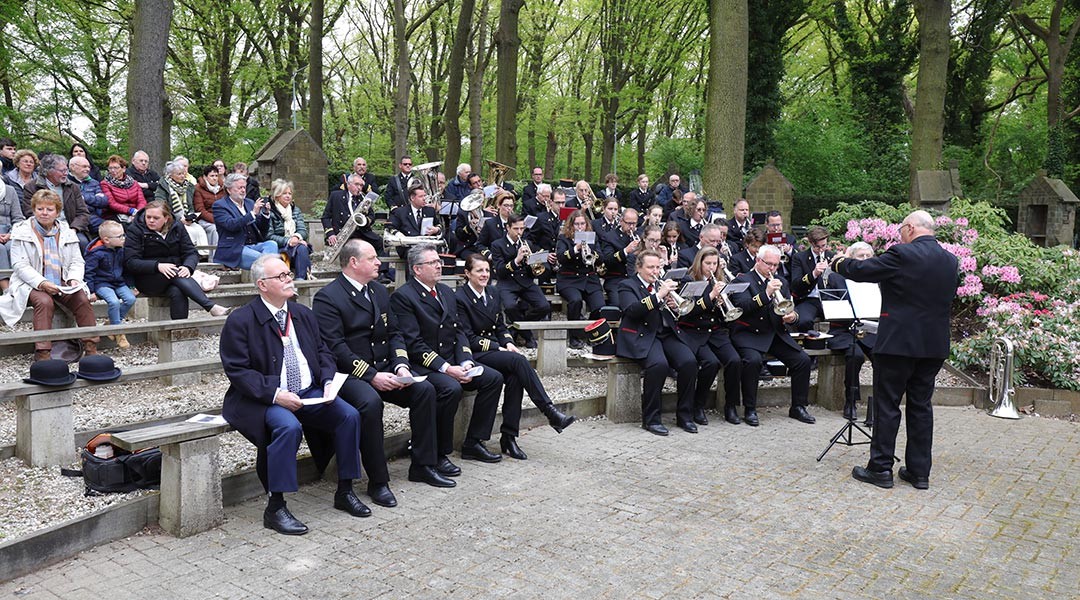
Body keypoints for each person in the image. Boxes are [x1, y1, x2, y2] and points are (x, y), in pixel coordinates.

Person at [220, 255, 369, 536]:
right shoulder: (241, 320)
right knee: (288, 427)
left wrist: (326, 381)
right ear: (262, 285)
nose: (289, 279)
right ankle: (275, 507)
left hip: (309, 392)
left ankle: (345, 490)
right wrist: (276, 395)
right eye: (282, 276)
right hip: (263, 398)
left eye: (289, 274)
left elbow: (324, 351)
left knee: (348, 415)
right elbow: (238, 371)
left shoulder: (301, 313)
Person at [314, 240, 453, 491]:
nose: (379, 262)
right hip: (351, 374)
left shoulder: (378, 291)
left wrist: (401, 365)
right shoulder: (328, 297)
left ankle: (423, 466)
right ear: (354, 262)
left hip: (385, 367)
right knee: (370, 402)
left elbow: (395, 334)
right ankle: (378, 481)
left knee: (425, 390)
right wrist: (372, 375)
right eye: (372, 258)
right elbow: (336, 348)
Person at [835, 210, 958, 490]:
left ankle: (880, 469)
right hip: (933, 344)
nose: (899, 234)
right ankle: (919, 472)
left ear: (911, 228)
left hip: (898, 343)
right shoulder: (951, 261)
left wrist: (840, 262)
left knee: (887, 404)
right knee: (921, 406)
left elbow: (862, 271)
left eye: (902, 229)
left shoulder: (902, 254)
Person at [389, 243, 506, 467]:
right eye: (432, 262)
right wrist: (446, 368)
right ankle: (440, 452)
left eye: (439, 261)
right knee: (450, 388)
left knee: (493, 378)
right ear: (417, 269)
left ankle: (474, 441)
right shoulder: (404, 297)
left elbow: (458, 330)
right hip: (424, 365)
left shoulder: (444, 291)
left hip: (451, 360)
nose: (439, 266)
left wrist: (465, 360)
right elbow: (414, 344)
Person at [455, 254, 576, 458]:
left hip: (494, 351)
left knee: (515, 376)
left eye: (487, 270)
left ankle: (508, 437)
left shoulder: (492, 292)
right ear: (467, 273)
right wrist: (498, 347)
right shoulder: (460, 298)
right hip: (474, 353)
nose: (484, 274)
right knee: (517, 361)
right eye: (479, 271)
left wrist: (509, 342)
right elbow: (466, 336)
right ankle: (549, 411)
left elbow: (500, 326)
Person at [0, 190, 99, 361]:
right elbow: (19, 265)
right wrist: (42, 282)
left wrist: (74, 278)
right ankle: (43, 352)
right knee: (44, 302)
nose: (44, 213)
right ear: (34, 209)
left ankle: (91, 347)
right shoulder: (21, 230)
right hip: (30, 282)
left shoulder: (67, 231)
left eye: (49, 209)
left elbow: (77, 261)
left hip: (61, 279)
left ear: (57, 212)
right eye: (40, 209)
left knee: (81, 298)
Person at [728, 245, 815, 426]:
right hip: (749, 333)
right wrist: (766, 293)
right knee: (752, 362)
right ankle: (750, 408)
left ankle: (798, 406)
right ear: (758, 261)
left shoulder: (781, 280)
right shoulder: (741, 280)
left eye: (776, 265)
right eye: (769, 264)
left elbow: (788, 307)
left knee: (803, 360)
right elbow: (742, 307)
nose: (773, 269)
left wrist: (792, 317)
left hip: (775, 333)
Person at [615, 249, 698, 435]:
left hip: (665, 333)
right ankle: (651, 419)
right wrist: (658, 296)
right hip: (642, 335)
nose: (655, 271)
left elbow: (674, 314)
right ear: (639, 268)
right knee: (658, 365)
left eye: (658, 267)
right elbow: (632, 310)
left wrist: (673, 306)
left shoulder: (660, 284)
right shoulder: (627, 285)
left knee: (689, 362)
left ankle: (685, 415)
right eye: (650, 267)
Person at [125, 200, 228, 320]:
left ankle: (179, 329)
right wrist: (157, 266)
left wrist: (188, 267)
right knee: (176, 274)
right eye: (148, 217)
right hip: (147, 278)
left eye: (156, 218)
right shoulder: (135, 230)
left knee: (177, 291)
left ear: (166, 218)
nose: (151, 220)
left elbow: (190, 252)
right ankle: (210, 306)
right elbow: (130, 262)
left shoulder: (177, 226)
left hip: (175, 276)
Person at [677, 246, 741, 426]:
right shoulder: (689, 280)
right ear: (700, 262)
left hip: (716, 332)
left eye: (715, 263)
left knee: (735, 361)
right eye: (708, 263)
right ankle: (698, 405)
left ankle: (731, 406)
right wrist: (711, 297)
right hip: (694, 331)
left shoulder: (720, 280)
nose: (712, 267)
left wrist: (723, 302)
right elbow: (687, 312)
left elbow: (724, 315)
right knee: (710, 363)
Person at [488, 213, 552, 349]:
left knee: (544, 306)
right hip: (507, 282)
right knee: (510, 306)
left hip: (526, 281)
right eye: (516, 229)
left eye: (522, 229)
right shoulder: (497, 245)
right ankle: (528, 336)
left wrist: (535, 262)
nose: (519, 232)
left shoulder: (528, 243)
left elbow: (536, 266)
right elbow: (499, 270)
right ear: (508, 228)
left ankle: (516, 329)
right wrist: (516, 260)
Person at [556, 209, 606, 349]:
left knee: (600, 307)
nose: (580, 227)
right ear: (571, 225)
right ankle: (574, 336)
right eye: (576, 224)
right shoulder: (563, 238)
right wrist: (575, 249)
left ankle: (590, 331)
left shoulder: (592, 237)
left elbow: (601, 258)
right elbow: (560, 257)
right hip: (569, 279)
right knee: (575, 301)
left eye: (582, 224)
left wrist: (591, 253)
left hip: (589, 279)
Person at [24, 154, 91, 253]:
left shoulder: (73, 187)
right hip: (43, 228)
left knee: (82, 242)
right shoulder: (32, 187)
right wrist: (50, 227)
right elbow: (30, 211)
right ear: (48, 171)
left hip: (70, 228)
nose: (66, 173)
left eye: (66, 170)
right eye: (62, 171)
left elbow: (83, 213)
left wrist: (73, 229)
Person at [84, 221, 136, 349]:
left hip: (118, 282)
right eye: (120, 236)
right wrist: (90, 291)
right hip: (101, 283)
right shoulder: (96, 253)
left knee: (130, 299)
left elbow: (126, 269)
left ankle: (112, 323)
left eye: (123, 235)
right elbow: (89, 273)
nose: (123, 238)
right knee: (114, 302)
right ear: (106, 240)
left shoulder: (120, 250)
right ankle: (118, 332)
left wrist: (131, 286)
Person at [212, 173, 277, 269]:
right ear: (229, 190)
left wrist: (265, 214)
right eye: (239, 188)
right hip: (234, 249)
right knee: (266, 261)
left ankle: (269, 275)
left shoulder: (249, 202)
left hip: (253, 245)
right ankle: (273, 275)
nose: (243, 190)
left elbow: (262, 229)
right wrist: (252, 214)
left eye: (244, 187)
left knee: (272, 244)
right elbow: (231, 225)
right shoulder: (220, 205)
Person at [322, 173, 385, 260]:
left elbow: (371, 216)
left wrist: (366, 221)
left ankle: (381, 272)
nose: (359, 188)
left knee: (381, 243)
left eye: (361, 185)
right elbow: (325, 217)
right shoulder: (336, 196)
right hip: (343, 233)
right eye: (356, 184)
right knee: (355, 249)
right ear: (348, 185)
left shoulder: (364, 199)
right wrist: (330, 234)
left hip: (361, 232)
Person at [155, 156, 210, 251]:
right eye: (179, 174)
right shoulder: (163, 187)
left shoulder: (188, 187)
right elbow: (161, 207)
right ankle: (190, 255)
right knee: (189, 232)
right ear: (170, 175)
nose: (182, 176)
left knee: (200, 231)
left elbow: (191, 205)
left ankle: (203, 256)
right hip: (171, 219)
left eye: (183, 174)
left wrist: (191, 217)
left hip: (187, 219)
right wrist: (179, 219)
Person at [264, 179, 312, 280]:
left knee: (302, 248)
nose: (288, 196)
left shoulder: (295, 210)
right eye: (284, 193)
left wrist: (296, 237)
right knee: (301, 247)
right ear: (277, 196)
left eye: (289, 193)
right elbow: (269, 235)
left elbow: (302, 230)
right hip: (279, 247)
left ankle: (301, 280)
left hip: (296, 245)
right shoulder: (270, 211)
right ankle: (300, 279)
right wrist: (289, 241)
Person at [790, 226, 835, 330]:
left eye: (823, 246)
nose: (821, 250)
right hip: (810, 299)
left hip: (830, 299)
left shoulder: (832, 256)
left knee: (845, 317)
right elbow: (795, 284)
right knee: (803, 321)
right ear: (810, 243)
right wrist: (813, 274)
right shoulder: (800, 258)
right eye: (817, 247)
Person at [599, 207, 641, 304]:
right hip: (616, 279)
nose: (631, 227)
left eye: (634, 224)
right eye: (629, 223)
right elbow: (607, 260)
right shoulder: (609, 237)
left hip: (635, 279)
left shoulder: (639, 235)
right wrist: (625, 251)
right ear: (621, 221)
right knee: (618, 304)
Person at [388, 183, 441, 258]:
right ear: (412, 198)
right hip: (408, 247)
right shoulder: (400, 212)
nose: (424, 199)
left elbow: (439, 225)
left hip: (427, 246)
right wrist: (399, 235)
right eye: (421, 196)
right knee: (415, 255)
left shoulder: (430, 211)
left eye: (424, 196)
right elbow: (390, 226)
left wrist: (436, 230)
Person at [68, 156, 109, 239]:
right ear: (72, 167)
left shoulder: (93, 183)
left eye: (89, 167)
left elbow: (103, 201)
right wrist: (93, 198)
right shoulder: (66, 182)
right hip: (74, 218)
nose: (88, 169)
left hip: (93, 217)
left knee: (113, 231)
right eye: (84, 166)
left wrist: (84, 197)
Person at [99, 155, 146, 223]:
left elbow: (141, 200)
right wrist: (130, 211)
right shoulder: (105, 183)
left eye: (116, 168)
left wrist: (138, 212)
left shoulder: (134, 183)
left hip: (135, 213)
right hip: (115, 214)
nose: (113, 170)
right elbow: (111, 203)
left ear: (123, 169)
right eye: (110, 168)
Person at [0, 177, 25, 289]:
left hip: (10, 233)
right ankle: (7, 291)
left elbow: (18, 218)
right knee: (0, 249)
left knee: (13, 246)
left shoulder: (10, 190)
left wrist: (11, 234)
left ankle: (18, 289)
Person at [193, 165, 225, 238]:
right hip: (205, 219)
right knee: (215, 229)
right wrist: (215, 220)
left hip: (222, 218)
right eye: (212, 176)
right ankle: (214, 249)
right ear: (205, 177)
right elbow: (200, 210)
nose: (214, 178)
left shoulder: (222, 188)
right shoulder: (198, 188)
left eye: (216, 176)